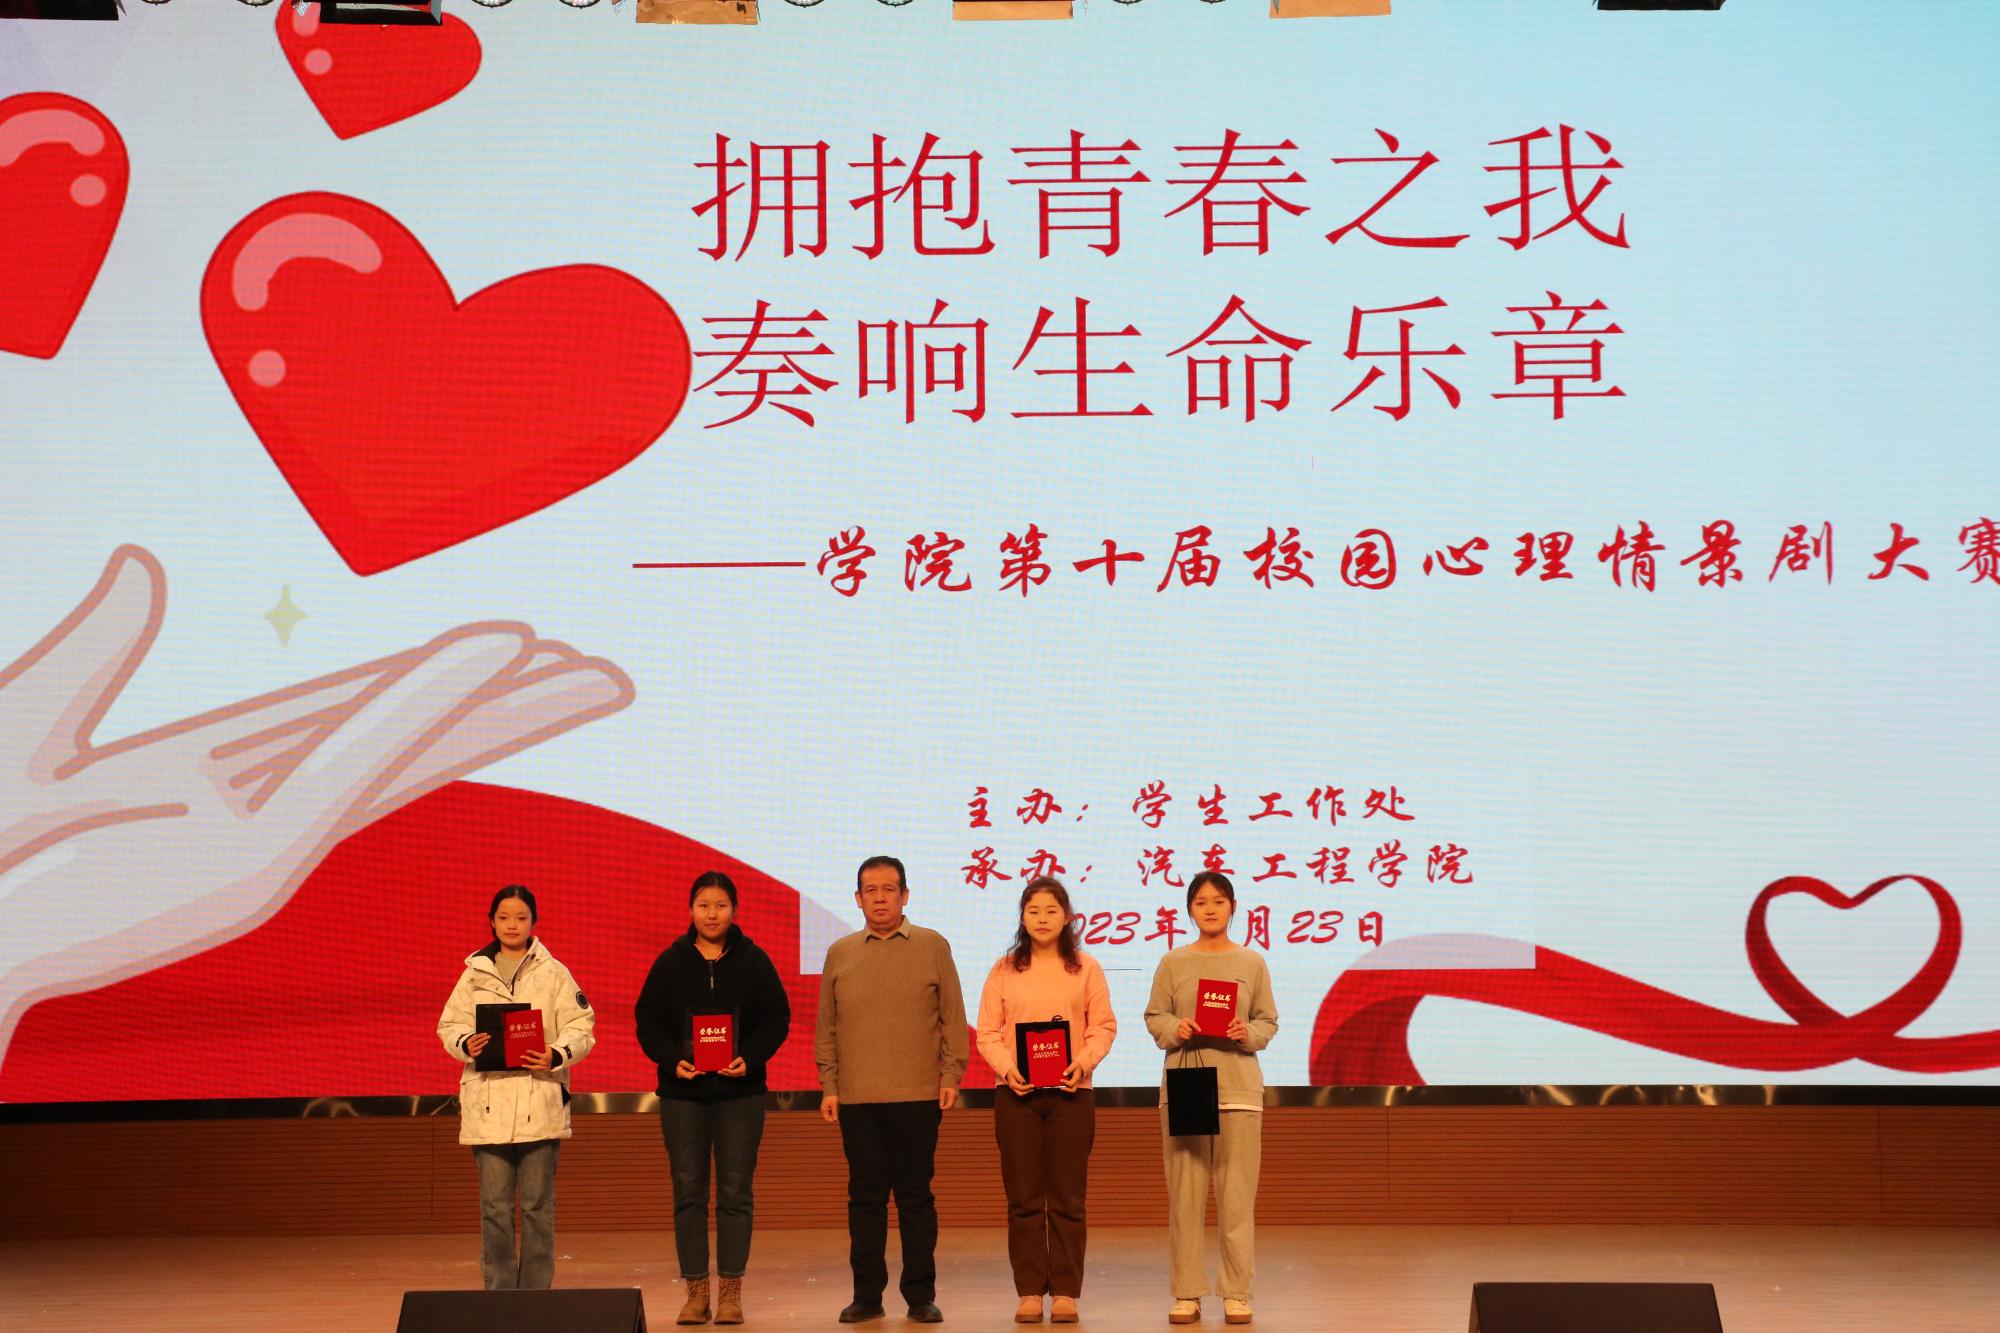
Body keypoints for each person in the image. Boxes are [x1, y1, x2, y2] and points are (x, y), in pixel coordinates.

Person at [815, 855, 969, 1324]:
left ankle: (920, 1294)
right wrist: (829, 1084)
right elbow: (827, 1026)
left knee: (915, 1197)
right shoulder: (840, 952)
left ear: (905, 896)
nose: (879, 898)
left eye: (888, 889)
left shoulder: (932, 945)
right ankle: (867, 1295)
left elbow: (953, 1018)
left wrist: (951, 1076)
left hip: (918, 1095)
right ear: (858, 898)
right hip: (857, 1098)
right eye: (870, 890)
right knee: (865, 1199)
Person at [635, 870, 793, 1325]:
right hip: (682, 1097)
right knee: (688, 1193)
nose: (712, 914)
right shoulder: (670, 962)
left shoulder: (754, 961)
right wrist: (672, 1060)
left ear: (734, 911)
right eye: (704, 905)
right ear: (691, 909)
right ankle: (696, 1293)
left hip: (740, 1096)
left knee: (735, 1193)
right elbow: (648, 1022)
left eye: (721, 905)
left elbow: (776, 1018)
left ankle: (730, 1293)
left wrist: (750, 1057)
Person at [437, 884, 597, 1291]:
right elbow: (449, 1025)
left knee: (537, 1208)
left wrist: (556, 1053)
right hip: (488, 1107)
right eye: (504, 917)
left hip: (538, 1102)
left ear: (533, 922)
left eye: (521, 917)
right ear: (492, 922)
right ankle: (500, 1295)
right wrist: (465, 1043)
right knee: (494, 1209)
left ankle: (535, 1297)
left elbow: (581, 1026)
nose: (512, 925)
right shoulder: (474, 973)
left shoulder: (554, 972)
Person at [975, 877, 1117, 1325]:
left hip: (1072, 1096)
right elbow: (987, 1032)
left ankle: (1067, 1292)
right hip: (1016, 1096)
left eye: (1051, 911)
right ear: (1022, 917)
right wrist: (1007, 1069)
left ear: (1067, 917)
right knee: (1023, 1199)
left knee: (1068, 1199)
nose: (1042, 918)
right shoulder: (1004, 969)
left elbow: (1103, 1026)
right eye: (1033, 910)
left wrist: (1083, 1062)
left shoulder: (1086, 967)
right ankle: (1030, 1291)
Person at [1143, 871, 1278, 1326]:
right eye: (1201, 902)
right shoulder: (1173, 962)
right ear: (1190, 910)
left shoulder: (1252, 962)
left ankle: (1237, 1293)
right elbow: (1155, 1015)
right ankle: (1187, 1293)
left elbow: (1267, 1021)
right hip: (1187, 1086)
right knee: (1185, 1198)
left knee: (1237, 1199)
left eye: (1218, 901)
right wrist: (1174, 1027)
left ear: (1233, 907)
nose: (1210, 909)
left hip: (1239, 1091)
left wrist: (1247, 1033)